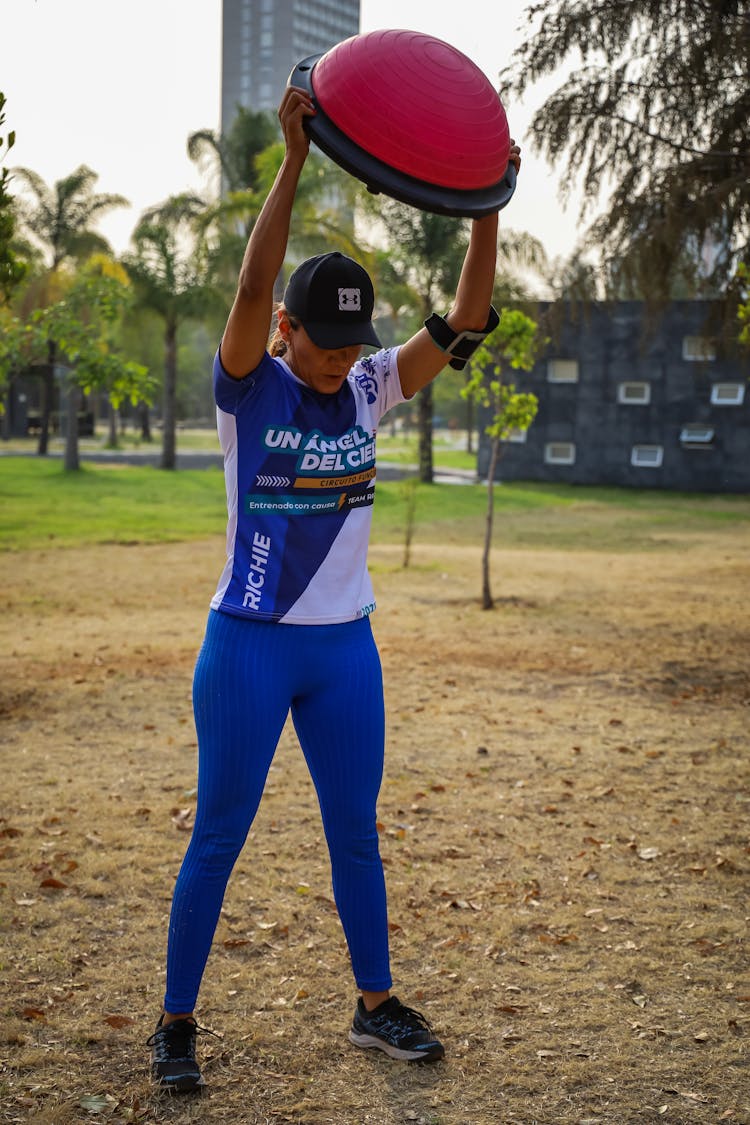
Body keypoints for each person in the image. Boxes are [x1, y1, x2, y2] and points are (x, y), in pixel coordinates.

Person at [147, 85, 521, 1093]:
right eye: (324, 344)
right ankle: (177, 1023)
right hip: (251, 648)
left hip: (343, 652)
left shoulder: (366, 385)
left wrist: (490, 203)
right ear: (285, 329)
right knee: (218, 835)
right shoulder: (247, 385)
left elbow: (466, 323)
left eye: (356, 345)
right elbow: (247, 289)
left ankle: (375, 1004)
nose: (341, 363)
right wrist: (296, 161)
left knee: (356, 832)